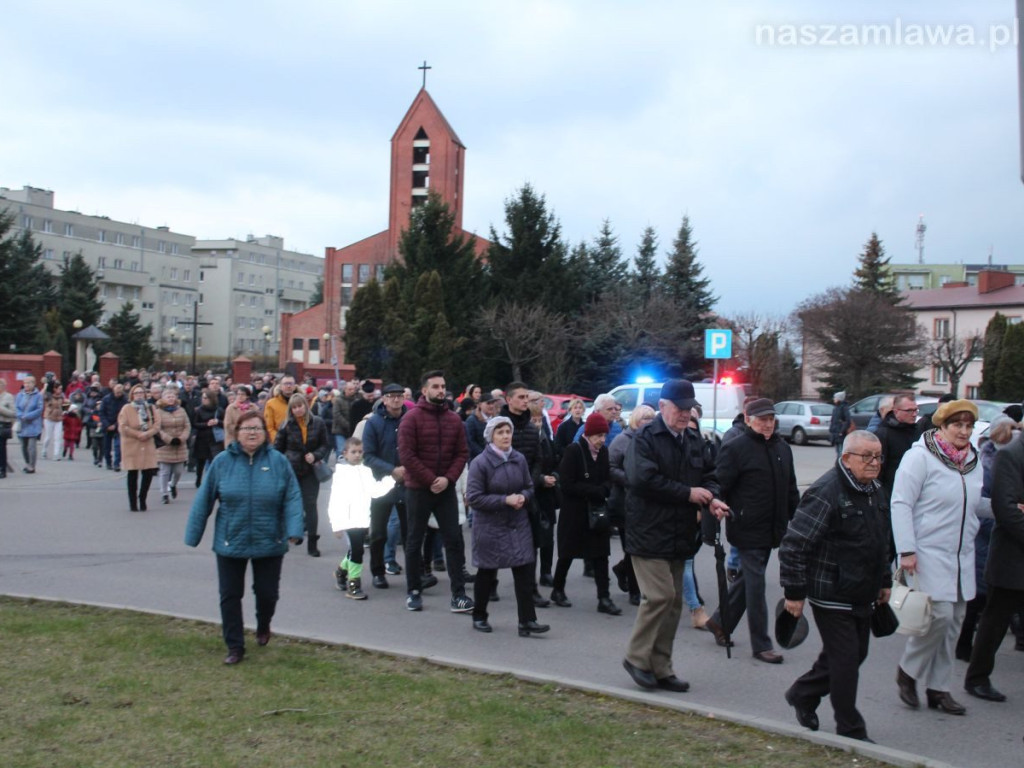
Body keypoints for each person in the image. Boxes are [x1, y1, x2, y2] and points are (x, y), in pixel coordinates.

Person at [779, 430, 892, 742]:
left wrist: (884, 580)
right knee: (846, 661)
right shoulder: (826, 491)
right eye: (866, 456)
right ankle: (850, 728)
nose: (874, 462)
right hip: (830, 591)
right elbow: (794, 545)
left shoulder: (876, 490)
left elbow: (881, 541)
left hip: (863, 591)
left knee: (855, 654)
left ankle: (803, 693)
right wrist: (794, 593)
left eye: (878, 456)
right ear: (846, 458)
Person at [621, 379, 726, 693]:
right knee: (660, 596)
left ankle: (661, 667)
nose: (685, 414)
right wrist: (688, 494)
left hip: (681, 533)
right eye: (679, 408)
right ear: (663, 406)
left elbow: (710, 475)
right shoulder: (645, 438)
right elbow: (642, 480)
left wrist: (712, 498)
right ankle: (636, 658)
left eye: (689, 409)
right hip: (648, 531)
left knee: (675, 603)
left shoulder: (693, 439)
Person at [185, 410, 304, 665]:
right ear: (237, 433)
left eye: (257, 429)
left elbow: (292, 497)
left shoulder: (278, 462)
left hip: (269, 540)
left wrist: (295, 530)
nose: (252, 433)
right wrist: (193, 534)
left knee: (267, 593)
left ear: (265, 433)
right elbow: (204, 499)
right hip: (231, 540)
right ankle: (235, 646)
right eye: (247, 429)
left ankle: (263, 624)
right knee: (230, 595)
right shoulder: (222, 462)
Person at [892, 399, 982, 716]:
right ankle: (908, 670)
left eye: (968, 426)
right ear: (942, 427)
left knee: (955, 621)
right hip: (926, 551)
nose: (964, 431)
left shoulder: (973, 459)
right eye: (957, 425)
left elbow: (972, 502)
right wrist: (906, 549)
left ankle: (939, 688)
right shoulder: (920, 457)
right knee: (939, 616)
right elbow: (901, 502)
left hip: (961, 553)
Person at [705, 398, 800, 664]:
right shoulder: (736, 448)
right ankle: (762, 645)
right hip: (746, 527)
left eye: (771, 419)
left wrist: (798, 520)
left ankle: (720, 621)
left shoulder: (783, 448)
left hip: (773, 527)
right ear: (748, 420)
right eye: (762, 419)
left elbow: (791, 488)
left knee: (748, 579)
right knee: (756, 585)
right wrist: (715, 508)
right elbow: (719, 484)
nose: (768, 424)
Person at [466, 416, 550, 636]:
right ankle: (479, 616)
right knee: (487, 572)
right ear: (491, 436)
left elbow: (529, 486)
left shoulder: (519, 459)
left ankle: (527, 621)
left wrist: (523, 497)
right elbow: (474, 498)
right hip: (490, 526)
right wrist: (505, 500)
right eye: (500, 432)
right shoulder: (480, 463)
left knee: (524, 572)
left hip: (517, 523)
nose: (505, 436)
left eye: (508, 431)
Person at [397, 370, 473, 614]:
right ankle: (414, 591)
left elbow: (462, 453)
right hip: (418, 489)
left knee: (454, 540)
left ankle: (458, 595)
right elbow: (407, 455)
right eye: (436, 386)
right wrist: (431, 480)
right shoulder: (411, 419)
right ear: (425, 390)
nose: (441, 390)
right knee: (414, 541)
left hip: (445, 489)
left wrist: (447, 479)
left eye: (443, 386)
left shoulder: (454, 420)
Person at [963, 416, 1024, 703]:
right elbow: (1007, 510)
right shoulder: (1011, 455)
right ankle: (977, 678)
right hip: (1012, 557)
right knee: (995, 621)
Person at [550, 412, 621, 615]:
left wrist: (605, 489)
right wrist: (594, 490)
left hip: (597, 511)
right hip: (574, 511)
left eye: (604, 435)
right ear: (588, 434)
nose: (602, 440)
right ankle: (557, 589)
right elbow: (567, 484)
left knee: (601, 554)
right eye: (598, 436)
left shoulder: (604, 452)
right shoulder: (574, 451)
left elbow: (607, 477)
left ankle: (604, 598)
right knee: (567, 553)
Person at [956, 416, 1014, 662]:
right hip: (985, 541)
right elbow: (978, 507)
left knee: (988, 599)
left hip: (996, 540)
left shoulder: (999, 464)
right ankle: (964, 645)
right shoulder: (987, 468)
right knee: (978, 599)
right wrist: (1008, 517)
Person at [328, 438, 396, 600]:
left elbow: (375, 491)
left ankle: (341, 571)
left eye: (360, 452)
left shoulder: (366, 471)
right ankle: (354, 584)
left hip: (362, 518)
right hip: (347, 520)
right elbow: (335, 500)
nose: (357, 455)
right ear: (345, 453)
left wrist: (391, 480)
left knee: (355, 549)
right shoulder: (341, 474)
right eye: (353, 452)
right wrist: (336, 524)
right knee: (358, 550)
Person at [608, 404, 656, 608]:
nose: (649, 422)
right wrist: (629, 479)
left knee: (640, 547)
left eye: (651, 419)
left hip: (646, 502)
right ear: (636, 420)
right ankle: (635, 591)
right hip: (624, 502)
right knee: (632, 547)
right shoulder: (622, 440)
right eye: (645, 418)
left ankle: (622, 569)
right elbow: (610, 467)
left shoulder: (652, 440)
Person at [274, 392, 331, 557]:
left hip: (311, 471)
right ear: (290, 410)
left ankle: (312, 543)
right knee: (293, 504)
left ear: (305, 406)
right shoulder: (286, 425)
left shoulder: (318, 422)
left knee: (310, 505)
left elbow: (325, 445)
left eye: (300, 406)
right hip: (292, 470)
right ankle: (295, 533)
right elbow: (278, 448)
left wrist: (316, 455)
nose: (298, 410)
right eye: (294, 407)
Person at [363, 383, 409, 587]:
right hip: (381, 482)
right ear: (384, 399)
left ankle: (416, 573)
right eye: (391, 396)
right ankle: (378, 571)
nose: (396, 400)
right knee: (378, 533)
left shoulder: (410, 419)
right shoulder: (374, 422)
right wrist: (392, 469)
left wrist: (408, 469)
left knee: (411, 532)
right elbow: (367, 455)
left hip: (407, 482)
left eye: (399, 396)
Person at [118, 384, 159, 512]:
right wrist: (137, 434)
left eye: (141, 392)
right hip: (131, 444)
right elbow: (123, 426)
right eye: (136, 393)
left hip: (147, 443)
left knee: (148, 472)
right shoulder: (126, 408)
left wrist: (147, 433)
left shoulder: (151, 408)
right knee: (132, 473)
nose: (139, 395)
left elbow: (157, 425)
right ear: (132, 395)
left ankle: (142, 498)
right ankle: (133, 502)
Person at [875, 394, 920, 502]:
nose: (914, 414)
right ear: (896, 411)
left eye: (916, 410)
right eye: (909, 410)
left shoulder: (918, 431)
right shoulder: (883, 434)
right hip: (890, 494)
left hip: (915, 492)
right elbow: (878, 469)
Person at [155, 386, 191, 504]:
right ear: (163, 398)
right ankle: (164, 493)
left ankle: (173, 484)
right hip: (165, 445)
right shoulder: (158, 411)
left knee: (178, 471)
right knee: (165, 471)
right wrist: (168, 439)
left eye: (172, 396)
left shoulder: (181, 410)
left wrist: (182, 438)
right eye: (168, 396)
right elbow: (158, 428)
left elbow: (187, 426)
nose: (170, 398)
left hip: (180, 445)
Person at [192, 389, 223, 488]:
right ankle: (198, 479)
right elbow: (195, 424)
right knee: (200, 461)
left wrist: (217, 422)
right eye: (203, 398)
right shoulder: (199, 410)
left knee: (214, 460)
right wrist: (206, 424)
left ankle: (213, 480)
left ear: (211, 399)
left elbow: (225, 423)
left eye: (205, 398)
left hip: (215, 439)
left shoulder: (219, 410)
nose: (203, 400)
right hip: (202, 439)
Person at [15, 376, 44, 474]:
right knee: (23, 446)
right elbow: (16, 407)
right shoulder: (20, 395)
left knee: (31, 447)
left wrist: (27, 416)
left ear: (34, 384)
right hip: (22, 425)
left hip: (33, 425)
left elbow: (39, 409)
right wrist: (20, 415)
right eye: (25, 383)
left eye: (29, 383)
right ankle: (27, 463)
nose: (26, 385)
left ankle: (32, 466)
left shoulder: (38, 396)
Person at [99, 382, 127, 471]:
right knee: (107, 446)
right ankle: (108, 462)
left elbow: (124, 415)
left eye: (120, 393)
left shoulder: (125, 400)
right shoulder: (106, 399)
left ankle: (116, 463)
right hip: (107, 425)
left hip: (118, 425)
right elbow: (101, 413)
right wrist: (107, 424)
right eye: (117, 392)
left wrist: (115, 425)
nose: (118, 394)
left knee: (118, 446)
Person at [263, 375, 297, 444]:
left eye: (291, 383)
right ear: (280, 386)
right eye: (286, 384)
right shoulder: (271, 403)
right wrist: (279, 440)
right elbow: (269, 427)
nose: (288, 386)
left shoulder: (301, 402)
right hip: (279, 442)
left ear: (294, 386)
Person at [554, 397, 586, 462]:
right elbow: (558, 446)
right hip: (567, 459)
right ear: (570, 410)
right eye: (575, 408)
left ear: (583, 410)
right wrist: (569, 454)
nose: (578, 410)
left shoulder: (585, 426)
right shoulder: (563, 426)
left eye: (580, 408)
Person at [40, 380, 65, 461]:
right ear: (54, 389)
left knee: (58, 437)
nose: (60, 390)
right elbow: (40, 396)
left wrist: (65, 408)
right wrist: (45, 388)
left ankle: (56, 454)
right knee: (48, 437)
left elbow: (64, 405)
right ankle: (44, 451)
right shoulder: (48, 396)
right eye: (59, 389)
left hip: (58, 419)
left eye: (61, 389)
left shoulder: (61, 396)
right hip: (49, 418)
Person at [829, 391, 851, 457]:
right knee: (838, 451)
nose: (834, 399)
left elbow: (847, 421)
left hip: (840, 433)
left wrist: (842, 431)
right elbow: (833, 420)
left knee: (841, 452)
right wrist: (831, 429)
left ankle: (841, 462)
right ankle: (839, 462)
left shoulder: (844, 407)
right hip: (835, 432)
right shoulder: (836, 408)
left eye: (835, 397)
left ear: (839, 398)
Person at [0, 378, 14, 477]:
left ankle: (2, 469)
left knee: (1, 448)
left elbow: (13, 413)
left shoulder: (8, 397)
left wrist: (1, 409)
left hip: (3, 425)